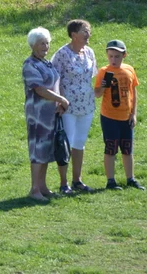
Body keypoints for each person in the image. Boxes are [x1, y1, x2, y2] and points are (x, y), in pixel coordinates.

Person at [51, 20, 98, 194]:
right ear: (73, 34)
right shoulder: (62, 54)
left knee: (79, 143)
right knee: (66, 143)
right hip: (67, 106)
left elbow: (92, 77)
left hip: (86, 105)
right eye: (84, 31)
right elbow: (55, 79)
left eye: (89, 30)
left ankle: (77, 180)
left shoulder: (90, 53)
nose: (88, 34)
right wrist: (59, 101)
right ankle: (64, 184)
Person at [22, 27, 69, 201]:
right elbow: (40, 89)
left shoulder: (46, 63)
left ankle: (42, 186)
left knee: (47, 151)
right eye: (42, 43)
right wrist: (62, 100)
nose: (45, 46)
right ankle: (34, 189)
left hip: (51, 115)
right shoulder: (30, 65)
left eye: (47, 43)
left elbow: (56, 83)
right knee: (38, 151)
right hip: (38, 116)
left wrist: (60, 102)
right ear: (33, 45)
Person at [94, 39, 144, 190]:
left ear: (124, 55)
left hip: (126, 116)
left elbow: (133, 92)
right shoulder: (103, 71)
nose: (113, 60)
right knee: (110, 149)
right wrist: (103, 86)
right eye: (110, 56)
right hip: (109, 117)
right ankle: (111, 181)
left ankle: (130, 179)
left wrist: (133, 114)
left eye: (117, 56)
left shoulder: (129, 70)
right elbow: (97, 94)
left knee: (127, 149)